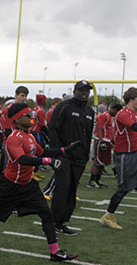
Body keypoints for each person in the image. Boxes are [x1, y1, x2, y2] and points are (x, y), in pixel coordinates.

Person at [0, 103, 80, 262]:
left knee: (46, 214)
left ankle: (55, 253)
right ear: (18, 119)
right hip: (9, 186)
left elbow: (42, 151)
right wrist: (49, 161)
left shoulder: (30, 136)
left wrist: (64, 150)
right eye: (28, 115)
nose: (32, 117)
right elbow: (23, 160)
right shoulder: (13, 138)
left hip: (28, 185)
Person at [100, 87, 137, 230]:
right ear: (131, 99)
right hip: (125, 154)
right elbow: (135, 126)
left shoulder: (135, 114)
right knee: (124, 188)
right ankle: (108, 215)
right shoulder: (123, 114)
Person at [47, 80, 95, 235]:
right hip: (64, 156)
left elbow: (88, 136)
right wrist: (58, 152)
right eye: (81, 90)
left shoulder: (89, 111)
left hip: (80, 158)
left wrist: (86, 154)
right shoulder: (64, 106)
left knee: (71, 191)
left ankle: (61, 222)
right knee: (62, 189)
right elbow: (53, 129)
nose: (85, 93)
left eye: (87, 90)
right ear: (75, 91)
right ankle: (53, 222)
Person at [88, 103, 121, 188]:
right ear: (113, 109)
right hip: (101, 140)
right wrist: (101, 140)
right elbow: (99, 127)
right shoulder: (105, 115)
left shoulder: (109, 116)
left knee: (101, 162)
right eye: (116, 111)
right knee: (97, 162)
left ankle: (97, 180)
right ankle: (92, 181)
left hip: (106, 140)